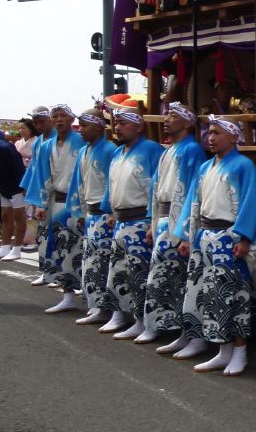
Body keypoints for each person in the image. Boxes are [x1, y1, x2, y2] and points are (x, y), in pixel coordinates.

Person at [175, 117, 256, 376]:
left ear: (234, 136)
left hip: (229, 236)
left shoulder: (244, 166)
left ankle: (240, 351)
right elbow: (194, 203)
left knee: (233, 295)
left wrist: (245, 238)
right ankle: (222, 350)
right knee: (211, 296)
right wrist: (188, 237)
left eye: (217, 133)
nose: (210, 137)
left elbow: (252, 203)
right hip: (205, 234)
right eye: (208, 132)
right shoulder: (205, 168)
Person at [146, 104, 208, 360]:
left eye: (173, 117)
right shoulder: (168, 150)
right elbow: (156, 187)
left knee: (186, 280)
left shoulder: (192, 149)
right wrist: (153, 223)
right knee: (168, 277)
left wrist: (184, 230)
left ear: (187, 123)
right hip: (164, 217)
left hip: (178, 218)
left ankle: (193, 335)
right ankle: (181, 331)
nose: (166, 120)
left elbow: (193, 192)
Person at [102, 109, 163, 342]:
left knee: (140, 274)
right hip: (121, 219)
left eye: (123, 123)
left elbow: (156, 187)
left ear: (138, 127)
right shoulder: (118, 152)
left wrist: (151, 220)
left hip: (141, 219)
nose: (117, 127)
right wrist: (110, 210)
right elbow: (112, 185)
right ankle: (119, 314)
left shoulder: (152, 150)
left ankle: (143, 321)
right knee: (119, 271)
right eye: (116, 123)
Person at [26, 105, 85, 312]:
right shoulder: (45, 146)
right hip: (55, 201)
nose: (59, 120)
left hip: (78, 204)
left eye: (63, 116)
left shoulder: (82, 142)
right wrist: (41, 203)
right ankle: (67, 294)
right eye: (56, 116)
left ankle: (90, 297)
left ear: (71, 119)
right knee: (61, 249)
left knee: (82, 249)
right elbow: (42, 176)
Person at [66, 109, 118, 327]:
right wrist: (79, 211)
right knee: (92, 262)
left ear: (98, 126)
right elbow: (78, 183)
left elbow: (113, 184)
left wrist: (112, 211)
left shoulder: (110, 150)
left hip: (105, 213)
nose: (81, 129)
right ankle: (96, 305)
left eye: (85, 125)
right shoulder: (84, 151)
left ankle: (107, 308)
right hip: (91, 212)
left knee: (104, 262)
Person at [21, 106, 56, 280]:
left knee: (59, 237)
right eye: (35, 122)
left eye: (42, 121)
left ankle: (58, 274)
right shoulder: (38, 142)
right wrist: (27, 187)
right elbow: (34, 169)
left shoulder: (59, 139)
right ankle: (46, 271)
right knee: (43, 234)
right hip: (41, 192)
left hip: (57, 195)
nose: (39, 125)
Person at [0, 128, 27, 261]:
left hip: (16, 185)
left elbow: (19, 167)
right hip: (4, 185)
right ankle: (4, 247)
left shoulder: (4, 147)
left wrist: (23, 187)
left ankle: (17, 248)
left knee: (19, 217)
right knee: (6, 216)